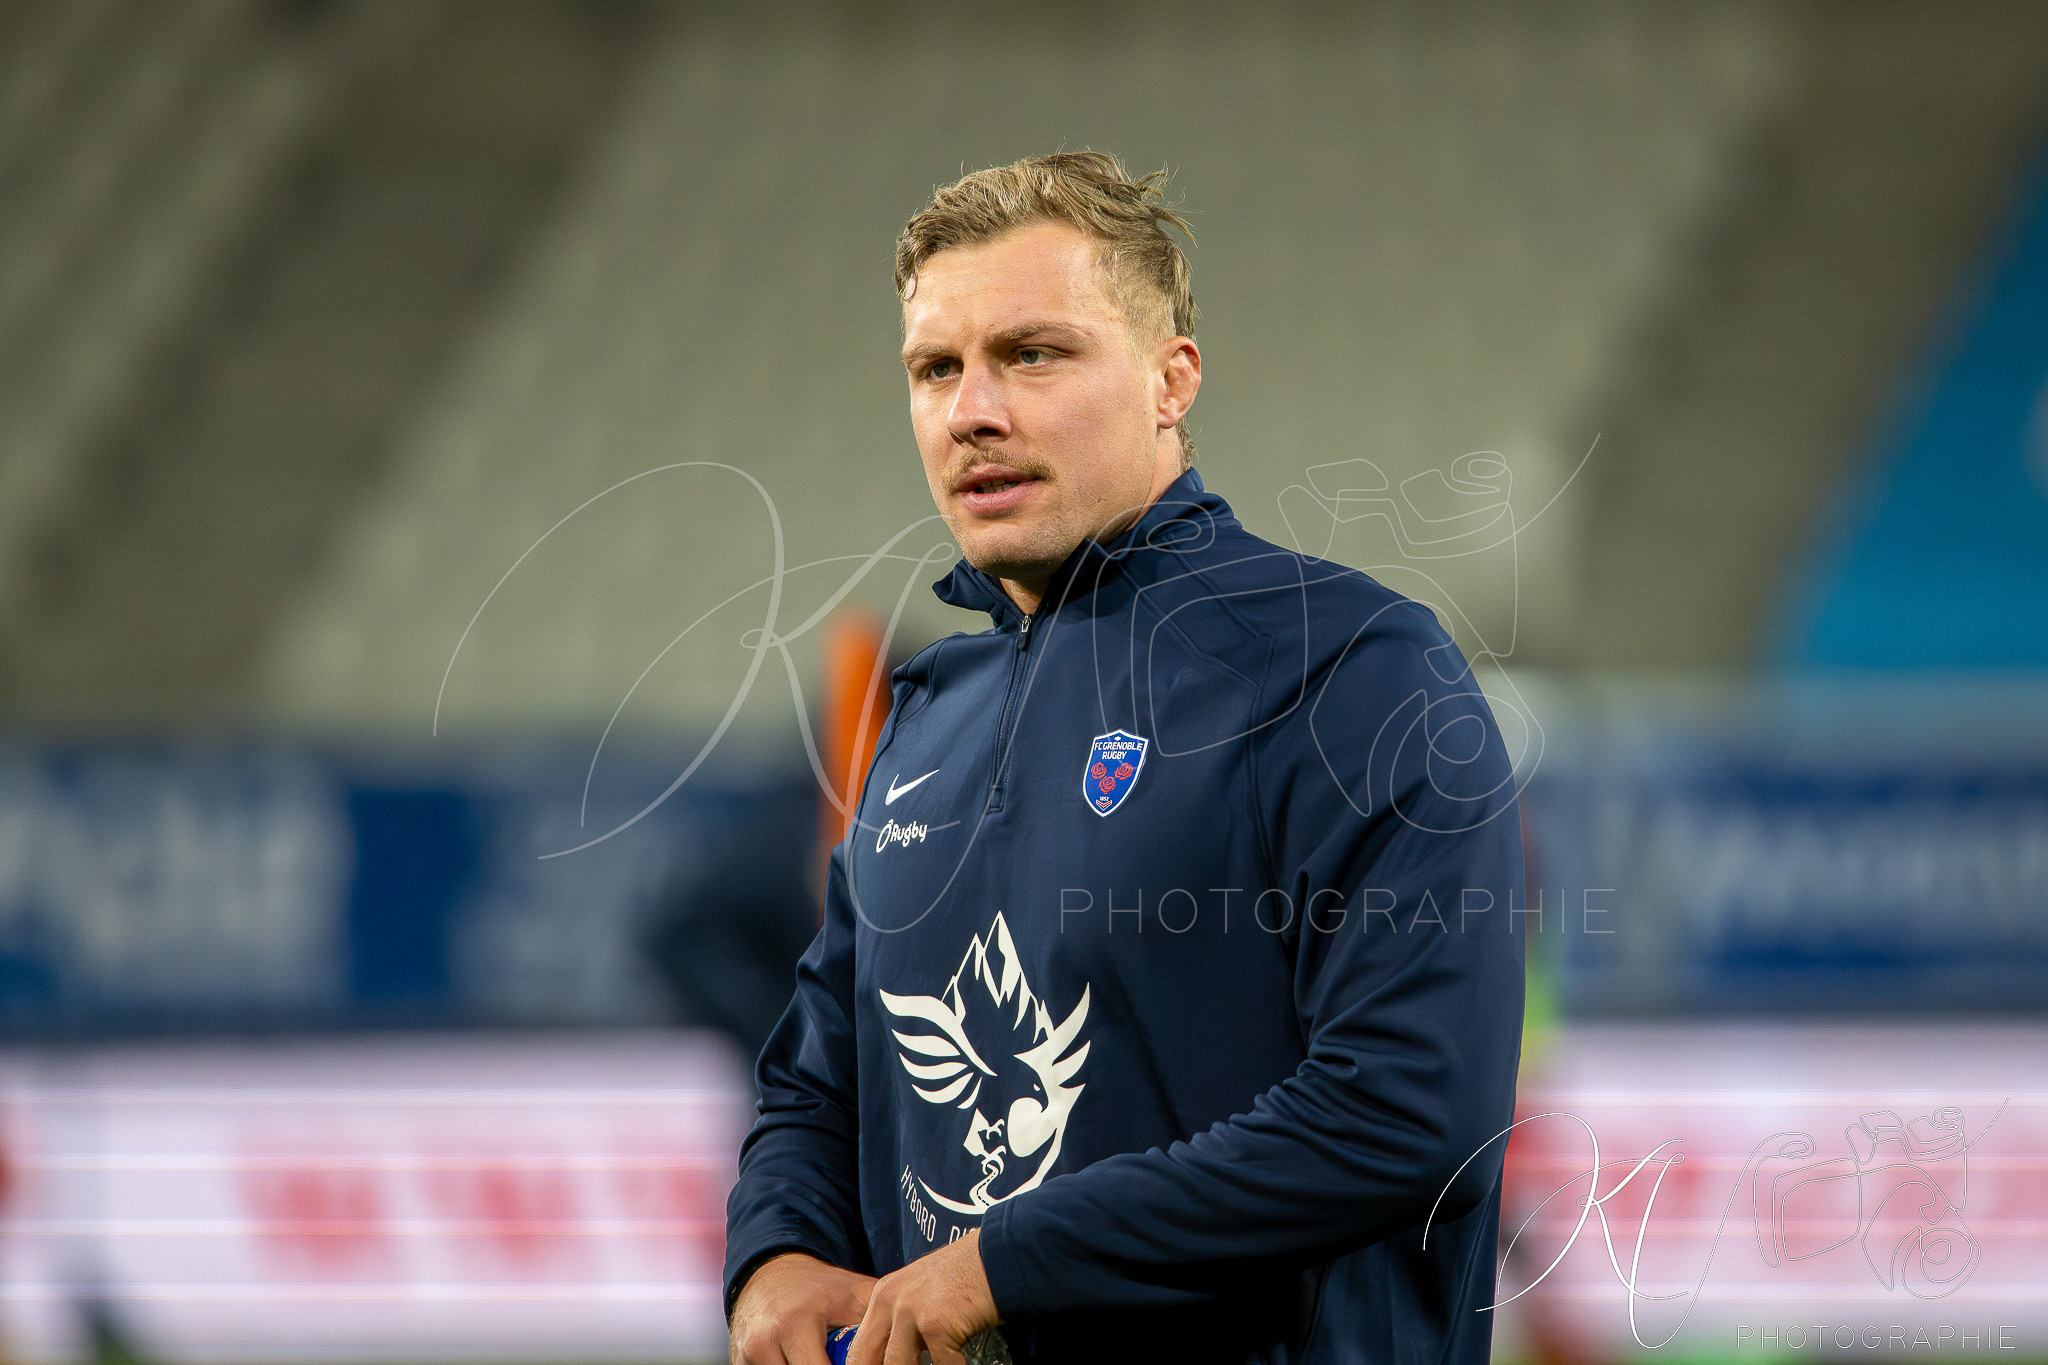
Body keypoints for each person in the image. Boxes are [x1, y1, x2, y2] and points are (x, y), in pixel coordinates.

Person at [724, 151, 1525, 1365]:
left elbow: (1407, 1110)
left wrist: (1001, 1267)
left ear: (1170, 380)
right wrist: (775, 1255)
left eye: (1031, 354)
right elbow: (818, 1075)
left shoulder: (1346, 669)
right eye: (935, 369)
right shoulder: (925, 714)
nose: (970, 411)